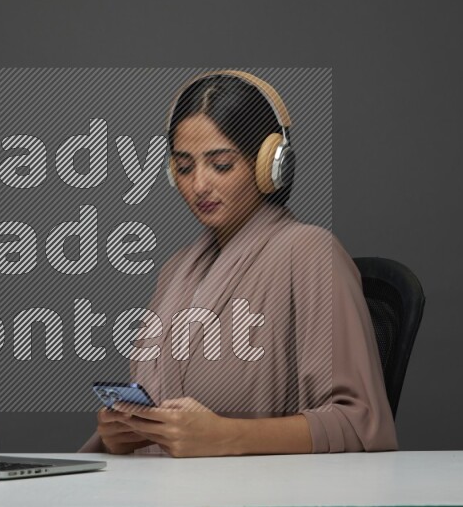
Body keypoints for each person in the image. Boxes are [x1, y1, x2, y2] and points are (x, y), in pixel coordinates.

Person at [78, 70, 398, 457]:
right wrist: (120, 435)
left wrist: (225, 436)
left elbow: (360, 423)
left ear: (269, 164)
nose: (199, 185)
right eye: (183, 167)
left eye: (221, 165)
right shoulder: (176, 271)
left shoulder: (310, 252)